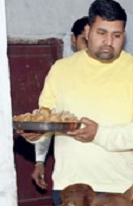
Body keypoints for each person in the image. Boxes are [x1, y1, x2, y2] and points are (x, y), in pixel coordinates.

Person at [26, 0, 133, 204]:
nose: (108, 42)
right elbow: (46, 121)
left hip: (118, 189)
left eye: (116, 35)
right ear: (87, 32)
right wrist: (35, 135)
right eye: (101, 33)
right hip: (69, 187)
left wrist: (100, 134)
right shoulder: (61, 70)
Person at [32, 15, 90, 190]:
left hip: (106, 174)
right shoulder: (60, 72)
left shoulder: (113, 75)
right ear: (73, 40)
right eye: (84, 41)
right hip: (70, 171)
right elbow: (47, 117)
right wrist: (40, 160)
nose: (89, 48)